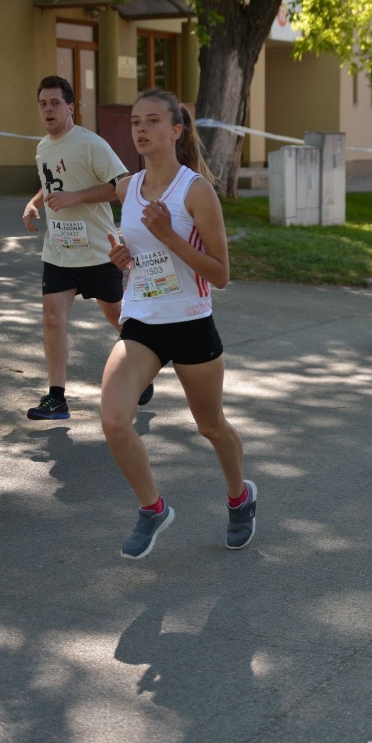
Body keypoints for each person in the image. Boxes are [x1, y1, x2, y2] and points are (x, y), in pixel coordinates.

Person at [100, 88, 257, 559]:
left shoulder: (195, 191)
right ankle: (152, 508)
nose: (141, 129)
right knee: (114, 420)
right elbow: (141, 254)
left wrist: (169, 236)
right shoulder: (127, 188)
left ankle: (240, 498)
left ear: (175, 130)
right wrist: (125, 259)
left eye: (152, 121)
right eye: (135, 122)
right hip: (142, 323)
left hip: (190, 323)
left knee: (211, 427)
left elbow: (221, 274)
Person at [23, 75, 153, 419]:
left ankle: (143, 366)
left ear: (70, 107)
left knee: (117, 316)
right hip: (59, 251)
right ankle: (57, 398)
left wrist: (75, 197)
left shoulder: (90, 143)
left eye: (55, 103)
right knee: (52, 319)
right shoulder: (43, 147)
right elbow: (50, 182)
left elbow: (121, 184)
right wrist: (34, 202)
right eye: (43, 104)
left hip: (97, 251)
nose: (48, 110)